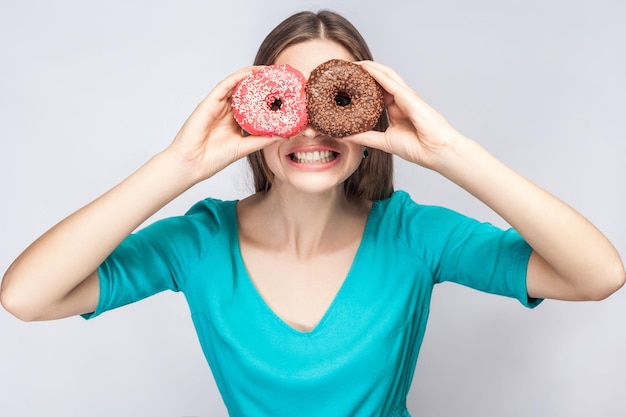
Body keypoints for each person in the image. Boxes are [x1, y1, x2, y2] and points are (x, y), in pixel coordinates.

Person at [1, 10, 624, 417]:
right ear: (256, 114)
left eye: (333, 100)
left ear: (369, 113)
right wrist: (178, 164)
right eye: (287, 101)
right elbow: (27, 295)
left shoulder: (413, 235)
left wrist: (450, 152)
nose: (309, 129)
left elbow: (596, 275)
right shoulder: (200, 243)